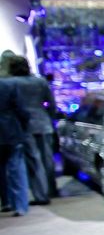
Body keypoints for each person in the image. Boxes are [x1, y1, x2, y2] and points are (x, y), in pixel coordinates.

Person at [8, 55, 57, 202]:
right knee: (48, 158)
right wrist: (50, 117)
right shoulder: (40, 81)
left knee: (33, 160)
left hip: (24, 125)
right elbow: (51, 103)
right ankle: (51, 189)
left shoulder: (12, 83)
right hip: (43, 121)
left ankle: (41, 195)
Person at [0, 75, 32, 216]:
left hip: (8, 133)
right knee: (16, 169)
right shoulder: (9, 85)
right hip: (11, 131)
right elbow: (22, 110)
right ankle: (20, 206)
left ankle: (6, 202)